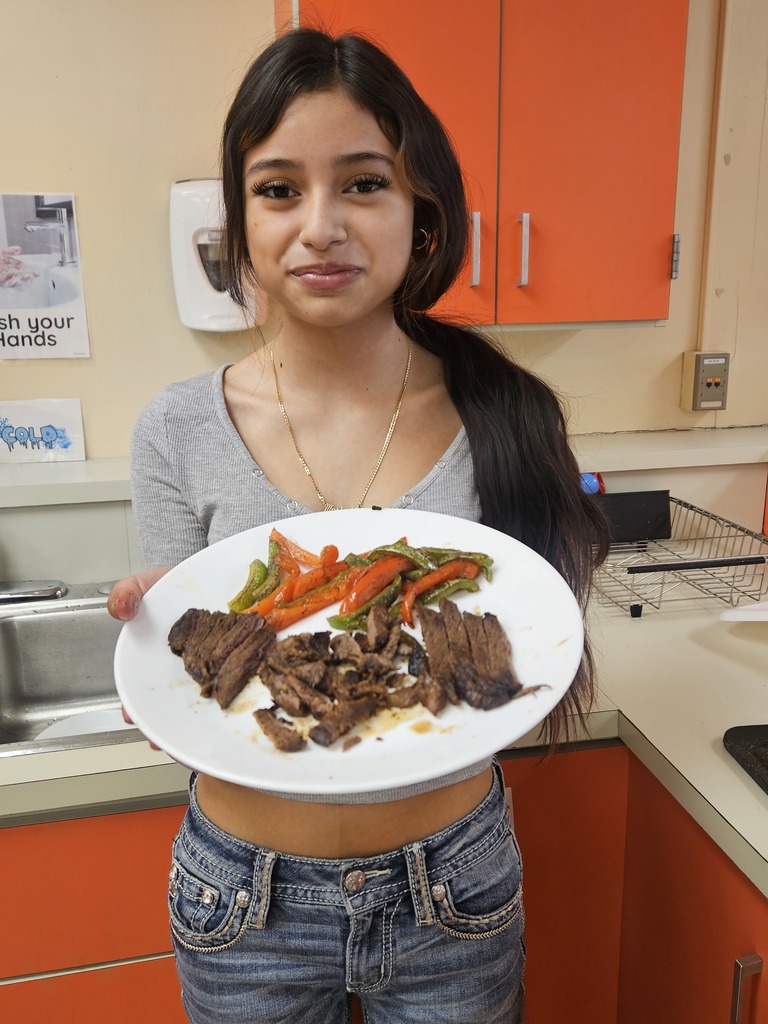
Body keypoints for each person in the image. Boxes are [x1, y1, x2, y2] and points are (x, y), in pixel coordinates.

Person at [109, 27, 609, 1024]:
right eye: (279, 189)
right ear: (242, 226)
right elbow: (180, 680)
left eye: (365, 183)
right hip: (241, 897)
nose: (321, 225)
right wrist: (151, 667)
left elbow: (538, 644)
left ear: (424, 214)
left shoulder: (508, 416)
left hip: (451, 886)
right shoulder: (175, 429)